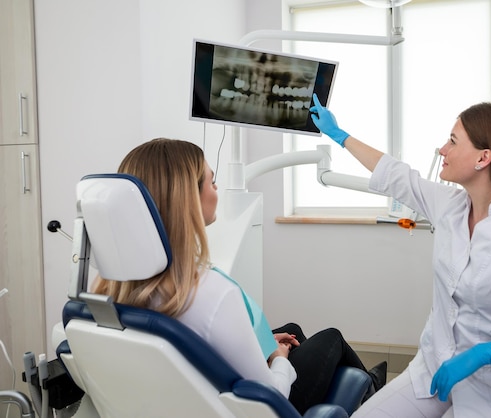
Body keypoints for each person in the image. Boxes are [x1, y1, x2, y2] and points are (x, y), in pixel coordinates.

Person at [309, 95, 491, 418]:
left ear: (483, 158)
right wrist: (340, 135)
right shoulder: (450, 206)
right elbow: (397, 175)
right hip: (432, 371)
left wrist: (487, 353)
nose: (442, 150)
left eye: (452, 141)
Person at [91, 138, 386, 414]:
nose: (216, 190)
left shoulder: (106, 288)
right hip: (257, 407)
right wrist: (279, 361)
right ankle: (373, 391)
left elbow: (201, 347)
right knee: (331, 337)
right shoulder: (210, 293)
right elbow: (270, 395)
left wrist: (266, 345)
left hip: (182, 397)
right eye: (212, 181)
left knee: (290, 330)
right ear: (187, 199)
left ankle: (370, 385)